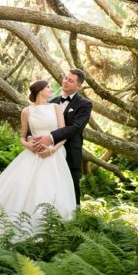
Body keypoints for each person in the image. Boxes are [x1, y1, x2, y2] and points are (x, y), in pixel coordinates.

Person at [0, 78, 76, 244]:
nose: (51, 89)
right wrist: (29, 146)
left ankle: (53, 238)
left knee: (52, 191)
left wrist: (52, 149)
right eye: (48, 87)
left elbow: (63, 134)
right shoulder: (27, 111)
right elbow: (22, 137)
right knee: (18, 189)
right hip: (33, 155)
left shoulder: (56, 108)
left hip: (53, 155)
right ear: (39, 91)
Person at [28, 67, 92, 204]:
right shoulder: (51, 102)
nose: (65, 81)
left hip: (70, 152)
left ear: (79, 86)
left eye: (70, 80)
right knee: (47, 187)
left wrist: (50, 137)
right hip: (46, 152)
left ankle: (75, 219)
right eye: (65, 78)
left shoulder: (85, 104)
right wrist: (31, 140)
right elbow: (34, 122)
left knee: (71, 187)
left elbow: (75, 128)